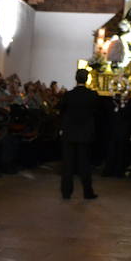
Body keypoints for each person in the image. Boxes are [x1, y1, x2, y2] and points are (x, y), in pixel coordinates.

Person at [57, 69, 99, 199]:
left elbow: (61, 110)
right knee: (84, 164)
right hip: (85, 134)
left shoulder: (68, 95)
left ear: (76, 78)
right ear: (87, 79)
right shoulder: (92, 95)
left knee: (68, 164)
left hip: (69, 133)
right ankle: (87, 192)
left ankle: (66, 193)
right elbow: (97, 113)